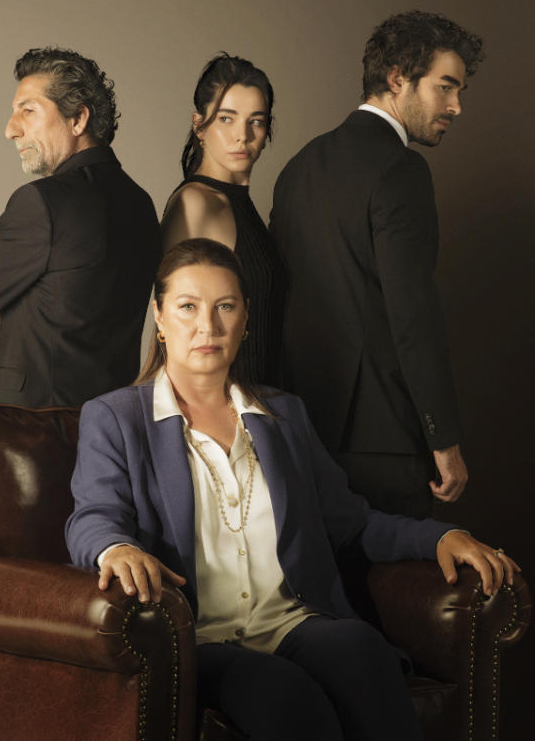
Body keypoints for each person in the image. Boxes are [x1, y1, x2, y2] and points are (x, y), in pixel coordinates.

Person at [66, 238, 519, 741]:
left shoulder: (283, 415)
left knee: (361, 649)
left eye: (225, 307)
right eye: (188, 307)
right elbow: (92, 517)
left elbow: (351, 522)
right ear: (159, 316)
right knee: (281, 691)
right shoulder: (115, 418)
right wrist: (116, 548)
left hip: (290, 621)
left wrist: (440, 538)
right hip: (198, 637)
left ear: (245, 318)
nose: (207, 326)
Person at [270, 11, 485, 518]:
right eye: (445, 87)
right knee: (397, 567)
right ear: (396, 78)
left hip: (302, 430)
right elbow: (412, 315)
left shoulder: (298, 166)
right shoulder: (402, 170)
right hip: (384, 440)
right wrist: (443, 437)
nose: (456, 106)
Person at [0, 47, 160, 408]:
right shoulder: (142, 204)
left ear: (78, 119)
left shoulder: (41, 203)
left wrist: (18, 312)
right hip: (117, 422)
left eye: (28, 110)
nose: (11, 130)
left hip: (37, 428)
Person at [161, 53, 287, 386]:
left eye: (255, 121)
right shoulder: (196, 203)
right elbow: (176, 325)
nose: (242, 135)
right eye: (226, 119)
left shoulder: (239, 204)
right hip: (225, 401)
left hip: (263, 398)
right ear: (199, 125)